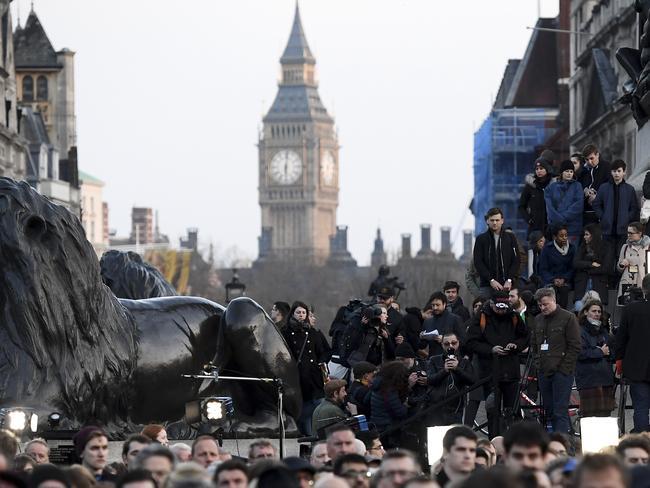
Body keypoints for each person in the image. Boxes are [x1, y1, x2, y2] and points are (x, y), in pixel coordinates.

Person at [466, 292, 529, 437]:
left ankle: (513, 442)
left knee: (513, 412)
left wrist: (516, 345)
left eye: (504, 308)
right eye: (498, 308)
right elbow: (471, 342)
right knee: (493, 412)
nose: (501, 311)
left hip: (511, 371)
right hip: (490, 373)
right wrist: (490, 350)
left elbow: (525, 336)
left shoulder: (513, 316)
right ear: (492, 304)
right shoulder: (481, 316)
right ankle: (495, 443)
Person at [530, 288, 581, 433]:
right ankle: (561, 442)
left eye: (545, 304)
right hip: (544, 371)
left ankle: (563, 446)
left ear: (554, 300)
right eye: (540, 305)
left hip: (562, 372)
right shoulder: (538, 319)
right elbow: (534, 344)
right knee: (550, 411)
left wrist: (564, 368)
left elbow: (575, 345)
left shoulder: (568, 318)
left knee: (560, 411)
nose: (542, 308)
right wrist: (538, 363)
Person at [283, 300, 331, 436]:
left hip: (314, 376)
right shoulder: (285, 332)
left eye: (304, 312)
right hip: (297, 377)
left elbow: (326, 351)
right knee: (303, 408)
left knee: (318, 405)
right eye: (298, 312)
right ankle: (307, 435)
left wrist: (320, 363)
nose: (301, 315)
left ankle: (313, 436)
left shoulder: (313, 333)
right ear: (292, 313)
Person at [615, 274, 650, 432]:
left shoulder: (631, 309)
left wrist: (619, 360)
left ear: (644, 288)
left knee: (641, 408)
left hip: (637, 368)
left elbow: (621, 339)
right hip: (638, 368)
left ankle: (643, 445)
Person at [593, 159, 640, 259]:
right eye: (614, 171)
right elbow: (596, 204)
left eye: (619, 171)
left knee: (621, 257)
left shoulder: (629, 189)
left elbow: (634, 208)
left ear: (624, 172)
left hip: (623, 231)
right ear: (611, 172)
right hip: (607, 230)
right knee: (607, 258)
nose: (616, 174)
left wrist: (627, 218)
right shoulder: (604, 187)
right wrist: (603, 217)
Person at [575, 299, 615, 418]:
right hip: (588, 380)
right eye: (594, 311)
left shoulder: (604, 330)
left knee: (605, 416)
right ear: (586, 312)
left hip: (605, 379)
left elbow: (611, 351)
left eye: (599, 311)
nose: (597, 314)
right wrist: (600, 351)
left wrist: (608, 353)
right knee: (589, 418)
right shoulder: (579, 330)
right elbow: (580, 353)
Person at [425, 332, 475, 425]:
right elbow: (430, 380)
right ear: (442, 345)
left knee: (454, 436)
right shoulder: (434, 360)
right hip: (436, 407)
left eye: (454, 343)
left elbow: (472, 381)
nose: (450, 346)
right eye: (446, 344)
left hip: (456, 408)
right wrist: (444, 371)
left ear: (458, 343)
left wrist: (457, 369)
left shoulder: (464, 362)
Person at [473, 207, 521, 298]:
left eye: (497, 220)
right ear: (487, 221)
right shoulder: (481, 239)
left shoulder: (510, 237)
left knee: (508, 310)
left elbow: (516, 260)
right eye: (492, 220)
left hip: (507, 285)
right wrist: (491, 280)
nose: (495, 223)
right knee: (486, 310)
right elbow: (478, 262)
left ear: (502, 221)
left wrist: (509, 279)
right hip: (487, 285)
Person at [369, 361, 409, 446]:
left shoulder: (377, 385)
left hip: (377, 424)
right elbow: (400, 412)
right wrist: (405, 405)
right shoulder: (389, 391)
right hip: (387, 428)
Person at [573, 223, 612, 309]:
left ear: (594, 235)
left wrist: (587, 269)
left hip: (599, 284)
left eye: (587, 234)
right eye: (584, 234)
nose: (584, 237)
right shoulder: (582, 247)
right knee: (579, 308)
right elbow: (575, 263)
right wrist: (591, 264)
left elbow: (606, 268)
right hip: (583, 284)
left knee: (598, 312)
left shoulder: (606, 247)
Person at [538, 225, 576, 309]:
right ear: (554, 237)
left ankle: (561, 315)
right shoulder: (547, 249)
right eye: (561, 236)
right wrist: (553, 279)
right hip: (550, 280)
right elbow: (543, 269)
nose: (564, 238)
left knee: (564, 290)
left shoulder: (572, 249)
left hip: (565, 281)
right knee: (551, 290)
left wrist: (564, 279)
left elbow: (572, 268)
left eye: (566, 235)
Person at [545, 160, 584, 241]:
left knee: (572, 252)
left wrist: (561, 218)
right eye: (567, 171)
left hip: (573, 229)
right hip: (556, 229)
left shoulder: (578, 186)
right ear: (562, 172)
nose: (569, 173)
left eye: (571, 171)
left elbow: (578, 206)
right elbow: (550, 208)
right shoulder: (551, 188)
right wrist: (558, 220)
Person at [421, 292, 466, 358]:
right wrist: (421, 337)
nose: (435, 308)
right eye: (433, 305)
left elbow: (463, 341)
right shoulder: (427, 322)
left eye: (438, 305)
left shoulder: (455, 319)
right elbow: (422, 345)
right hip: (433, 359)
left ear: (444, 304)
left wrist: (445, 340)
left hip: (451, 358)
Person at [519, 158, 554, 237]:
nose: (539, 171)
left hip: (550, 228)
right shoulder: (530, 187)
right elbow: (521, 206)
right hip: (535, 229)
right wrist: (529, 219)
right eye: (537, 169)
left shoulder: (553, 186)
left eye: (541, 168)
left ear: (547, 169)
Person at [578, 144, 611, 226]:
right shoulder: (583, 171)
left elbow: (611, 188)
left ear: (597, 155)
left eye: (591, 158)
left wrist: (597, 196)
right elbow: (578, 186)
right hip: (586, 212)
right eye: (587, 159)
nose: (589, 162)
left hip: (602, 212)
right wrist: (585, 190)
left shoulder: (607, 167)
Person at [616, 222, 650, 302]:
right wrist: (621, 265)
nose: (628, 235)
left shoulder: (648, 247)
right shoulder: (625, 247)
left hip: (643, 282)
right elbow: (619, 268)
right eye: (627, 233)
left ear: (640, 233)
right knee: (626, 307)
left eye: (631, 233)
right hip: (628, 282)